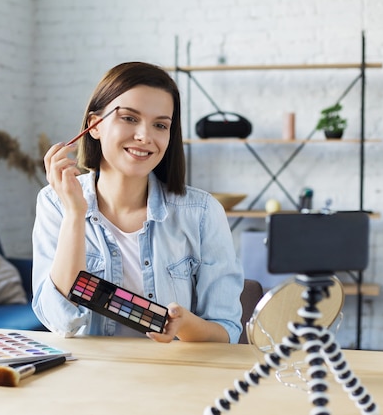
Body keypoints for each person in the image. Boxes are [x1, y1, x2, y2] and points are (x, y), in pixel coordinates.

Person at [32, 61, 243, 343]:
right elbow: (61, 323)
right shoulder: (54, 203)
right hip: (89, 378)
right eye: (129, 118)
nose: (145, 136)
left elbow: (226, 332)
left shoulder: (202, 213)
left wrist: (184, 324)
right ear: (94, 125)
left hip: (175, 378)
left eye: (160, 125)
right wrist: (74, 213)